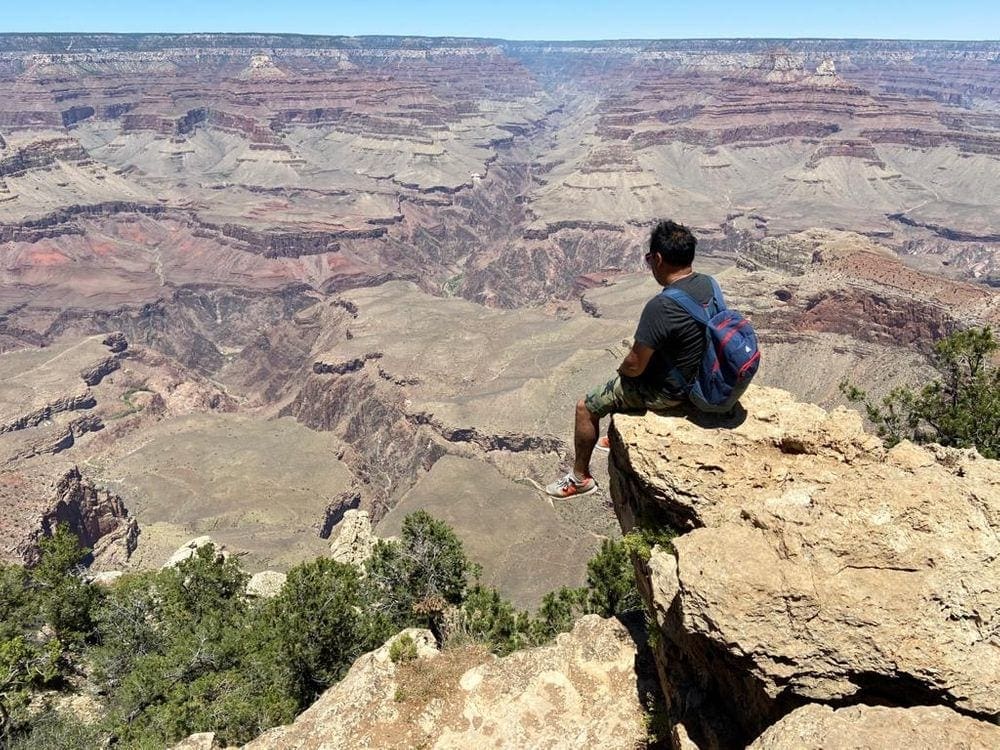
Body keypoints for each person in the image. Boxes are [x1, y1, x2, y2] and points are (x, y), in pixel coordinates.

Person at [545, 219, 716, 498]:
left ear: (658, 259)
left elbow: (635, 365)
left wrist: (622, 370)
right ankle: (614, 436)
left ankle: (579, 478)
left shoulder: (662, 306)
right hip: (703, 379)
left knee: (586, 407)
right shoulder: (709, 284)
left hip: (671, 392)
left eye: (650, 259)